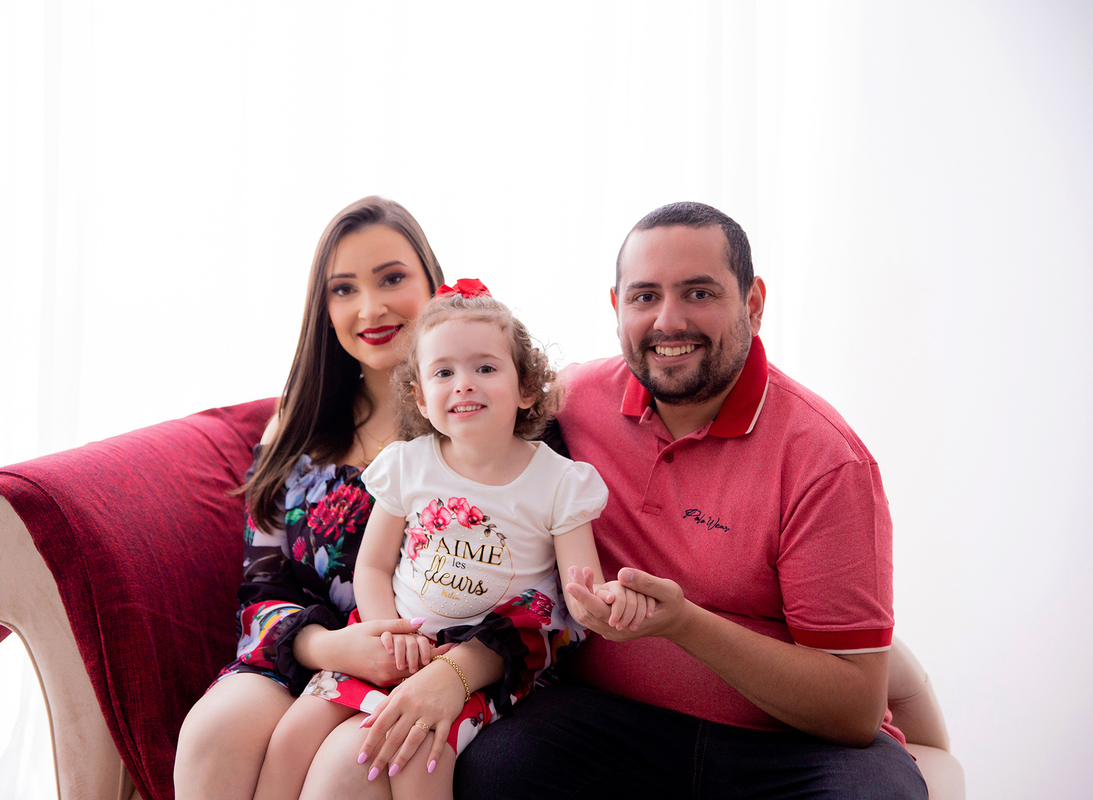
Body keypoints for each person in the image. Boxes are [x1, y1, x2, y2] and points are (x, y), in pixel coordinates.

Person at [455, 202, 928, 798]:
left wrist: (684, 626)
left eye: (699, 293)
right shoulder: (572, 404)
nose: (667, 321)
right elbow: (456, 434)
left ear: (753, 302)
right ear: (616, 307)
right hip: (608, 722)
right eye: (644, 296)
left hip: (794, 750)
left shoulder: (826, 460)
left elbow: (856, 710)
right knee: (488, 770)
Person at [253, 281, 651, 800]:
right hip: (394, 642)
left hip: (482, 661)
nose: (463, 384)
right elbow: (371, 569)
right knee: (291, 737)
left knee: (421, 758)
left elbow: (581, 594)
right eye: (443, 372)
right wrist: (386, 632)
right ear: (420, 396)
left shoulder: (560, 483)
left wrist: (606, 603)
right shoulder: (408, 465)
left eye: (485, 368)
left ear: (526, 387)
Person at [173, 196, 462, 800]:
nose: (371, 307)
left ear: (433, 283)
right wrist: (326, 646)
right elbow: (261, 587)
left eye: (391, 279)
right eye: (344, 289)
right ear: (323, 308)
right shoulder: (298, 427)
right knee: (212, 733)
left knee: (349, 766)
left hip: (423, 664)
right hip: (308, 648)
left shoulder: (474, 417)